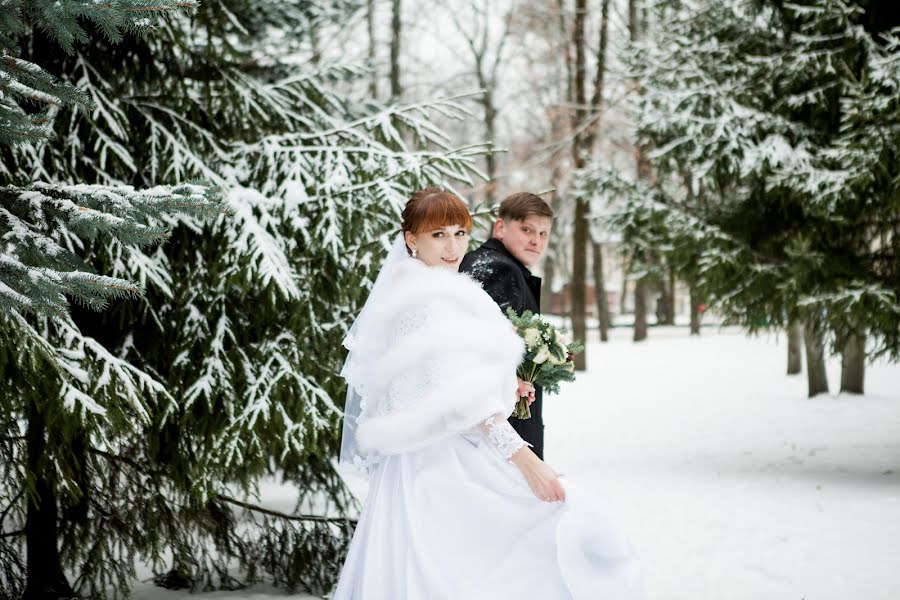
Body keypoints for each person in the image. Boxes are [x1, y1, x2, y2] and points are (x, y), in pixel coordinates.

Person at [332, 188, 642, 600]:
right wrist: (527, 460)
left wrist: (503, 379)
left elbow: (435, 377)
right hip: (438, 467)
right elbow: (460, 398)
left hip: (422, 460)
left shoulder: (429, 290)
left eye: (460, 233)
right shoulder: (428, 299)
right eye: (438, 235)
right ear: (411, 239)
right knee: (530, 546)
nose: (453, 246)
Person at [459, 192, 553, 459]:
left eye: (544, 234)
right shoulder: (499, 270)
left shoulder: (496, 264)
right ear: (500, 227)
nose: (537, 241)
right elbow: (486, 351)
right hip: (502, 433)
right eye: (527, 230)